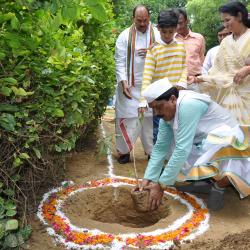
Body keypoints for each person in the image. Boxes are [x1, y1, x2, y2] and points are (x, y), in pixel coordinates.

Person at [138, 78, 250, 211]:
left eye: (158, 107)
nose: (156, 113)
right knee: (171, 147)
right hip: (204, 142)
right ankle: (204, 182)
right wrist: (147, 179)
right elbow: (160, 148)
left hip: (229, 140)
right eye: (153, 109)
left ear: (173, 99)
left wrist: (161, 185)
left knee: (188, 148)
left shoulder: (188, 104)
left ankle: (218, 187)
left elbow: (182, 149)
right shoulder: (166, 116)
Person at [114, 5, 160, 164]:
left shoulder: (158, 35)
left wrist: (152, 52)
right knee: (127, 119)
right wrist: (123, 81)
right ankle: (124, 151)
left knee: (149, 120)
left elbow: (166, 53)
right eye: (139, 20)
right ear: (133, 19)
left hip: (151, 85)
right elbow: (119, 61)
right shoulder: (124, 36)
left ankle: (152, 151)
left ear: (149, 18)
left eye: (145, 20)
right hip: (129, 86)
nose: (142, 24)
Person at [194, 1, 250, 124]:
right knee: (230, 135)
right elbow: (218, 70)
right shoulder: (225, 42)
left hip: (248, 95)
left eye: (227, 20)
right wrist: (203, 79)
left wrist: (248, 69)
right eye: (223, 21)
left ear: (240, 16)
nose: (225, 24)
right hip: (228, 96)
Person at [141, 9, 187, 143]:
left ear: (176, 29)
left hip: (176, 99)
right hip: (159, 102)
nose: (167, 35)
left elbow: (184, 67)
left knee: (178, 133)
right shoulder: (153, 50)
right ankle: (158, 162)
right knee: (159, 133)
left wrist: (182, 82)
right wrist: (143, 100)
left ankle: (174, 161)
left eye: (171, 32)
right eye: (164, 31)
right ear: (158, 28)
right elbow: (147, 76)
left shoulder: (180, 47)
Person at [175, 8, 205, 91]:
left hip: (196, 82)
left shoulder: (199, 38)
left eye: (180, 23)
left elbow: (202, 60)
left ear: (187, 21)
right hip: (177, 83)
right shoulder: (171, 40)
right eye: (175, 23)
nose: (178, 26)